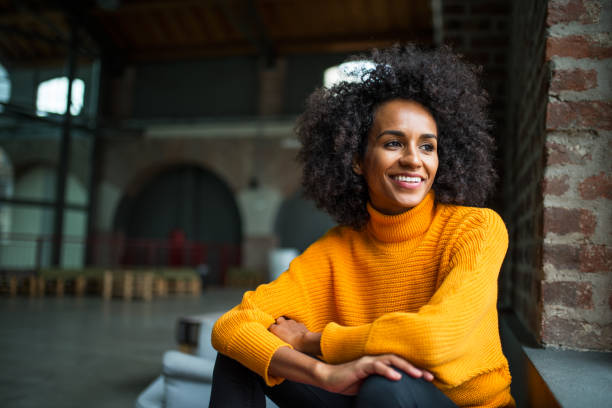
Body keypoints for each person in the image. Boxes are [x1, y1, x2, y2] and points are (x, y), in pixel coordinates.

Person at [209, 44, 514, 408]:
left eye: (427, 147)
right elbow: (232, 325)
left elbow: (435, 340)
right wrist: (324, 374)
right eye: (393, 143)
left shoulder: (476, 229)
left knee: (385, 384)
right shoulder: (338, 248)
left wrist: (313, 343)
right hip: (366, 396)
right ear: (356, 159)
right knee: (242, 354)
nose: (413, 160)